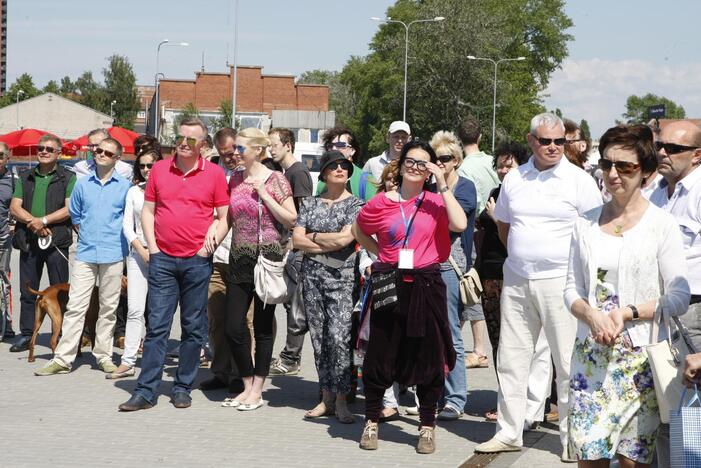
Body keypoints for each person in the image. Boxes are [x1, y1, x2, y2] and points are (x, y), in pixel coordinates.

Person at [474, 113, 602, 461]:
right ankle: (508, 432)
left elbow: (594, 233)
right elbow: (504, 226)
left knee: (566, 362)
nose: (553, 147)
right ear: (531, 141)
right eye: (545, 141)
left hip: (562, 282)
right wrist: (523, 255)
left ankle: (571, 438)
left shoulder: (579, 181)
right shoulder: (516, 177)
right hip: (517, 279)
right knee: (512, 360)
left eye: (559, 141)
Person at [565, 124, 690, 466]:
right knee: (589, 458)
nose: (613, 174)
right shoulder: (584, 224)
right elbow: (571, 290)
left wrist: (627, 313)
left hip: (638, 364)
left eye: (625, 166)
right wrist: (591, 315)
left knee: (633, 463)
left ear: (646, 172)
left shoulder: (661, 225)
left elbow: (679, 296)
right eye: (606, 164)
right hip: (590, 360)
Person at [352, 139, 467, 454]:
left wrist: (442, 184)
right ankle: (372, 420)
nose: (416, 168)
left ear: (430, 169)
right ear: (400, 165)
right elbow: (359, 229)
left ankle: (427, 426)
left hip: (426, 282)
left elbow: (460, 223)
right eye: (411, 161)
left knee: (428, 355)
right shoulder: (381, 202)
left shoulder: (435, 200)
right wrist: (381, 254)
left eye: (423, 163)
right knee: (381, 352)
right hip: (389, 280)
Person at [118, 118, 230, 411]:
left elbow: (224, 215)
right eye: (180, 137)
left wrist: (210, 246)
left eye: (191, 139)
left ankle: (183, 387)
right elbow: (148, 211)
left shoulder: (215, 174)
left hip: (197, 261)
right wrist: (154, 249)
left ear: (202, 145)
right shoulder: (159, 170)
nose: (183, 143)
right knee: (156, 327)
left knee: (193, 328)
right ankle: (145, 390)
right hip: (163, 259)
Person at [33, 138, 131, 376]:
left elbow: (129, 219)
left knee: (108, 308)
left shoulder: (125, 187)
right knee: (76, 306)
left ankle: (104, 355)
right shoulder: (82, 184)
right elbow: (75, 215)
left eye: (108, 152)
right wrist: (86, 234)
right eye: (98, 150)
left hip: (114, 253)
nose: (102, 154)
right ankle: (63, 358)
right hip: (86, 253)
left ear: (117, 158)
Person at [223, 128, 296, 411]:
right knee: (233, 326)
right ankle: (246, 382)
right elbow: (227, 217)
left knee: (264, 327)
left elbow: (291, 219)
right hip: (239, 257)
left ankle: (257, 389)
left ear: (256, 149)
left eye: (240, 148)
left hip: (268, 256)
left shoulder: (276, 179)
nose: (236, 153)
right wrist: (211, 236)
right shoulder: (235, 179)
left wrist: (265, 195)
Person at [476, 141, 547, 424]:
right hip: (490, 274)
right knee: (499, 342)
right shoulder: (495, 192)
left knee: (526, 343)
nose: (504, 170)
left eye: (509, 164)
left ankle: (533, 404)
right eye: (500, 165)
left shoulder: (527, 193)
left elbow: (520, 235)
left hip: (516, 275)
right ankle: (504, 398)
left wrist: (495, 219)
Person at [293, 150, 364, 423]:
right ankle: (326, 398)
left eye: (344, 165)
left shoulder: (355, 205)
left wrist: (313, 236)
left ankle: (344, 399)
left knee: (339, 338)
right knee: (320, 340)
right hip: (312, 278)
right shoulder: (310, 203)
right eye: (333, 165)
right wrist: (320, 240)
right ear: (323, 173)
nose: (340, 169)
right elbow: (296, 240)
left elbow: (344, 241)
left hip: (342, 280)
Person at [648, 120, 701, 466]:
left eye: (674, 149)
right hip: (658, 313)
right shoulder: (654, 193)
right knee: (668, 414)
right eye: (660, 147)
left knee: (692, 412)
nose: (663, 153)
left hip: (694, 313)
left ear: (697, 155)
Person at [9, 135, 75, 353]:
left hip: (56, 241)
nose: (44, 151)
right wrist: (33, 223)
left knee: (61, 290)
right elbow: (15, 207)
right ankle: (27, 335)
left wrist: (44, 221)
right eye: (40, 148)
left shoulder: (68, 177)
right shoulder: (26, 175)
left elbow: (69, 209)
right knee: (27, 291)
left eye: (49, 149)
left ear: (58, 153)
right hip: (29, 240)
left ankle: (63, 335)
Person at [429, 131, 476, 421]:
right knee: (429, 335)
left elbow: (454, 223)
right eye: (435, 159)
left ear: (456, 161)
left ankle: (456, 399)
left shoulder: (465, 187)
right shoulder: (428, 186)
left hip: (450, 267)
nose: (439, 163)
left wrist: (443, 188)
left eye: (445, 159)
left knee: (450, 333)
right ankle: (433, 394)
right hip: (425, 265)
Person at [107, 148, 162, 379]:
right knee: (135, 309)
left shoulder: (169, 190)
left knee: (160, 312)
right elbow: (127, 226)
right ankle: (128, 361)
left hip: (165, 254)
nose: (146, 170)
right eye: (142, 166)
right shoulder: (134, 192)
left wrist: (157, 250)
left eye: (151, 165)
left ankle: (155, 362)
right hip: (139, 254)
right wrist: (141, 249)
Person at [199, 127, 244, 393]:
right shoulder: (213, 173)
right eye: (224, 153)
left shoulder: (253, 173)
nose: (230, 157)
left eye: (234, 151)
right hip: (216, 254)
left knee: (241, 322)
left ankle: (241, 373)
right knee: (216, 318)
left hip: (243, 255)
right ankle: (221, 371)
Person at [267, 127, 313, 377]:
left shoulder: (299, 172)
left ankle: (291, 358)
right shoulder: (284, 172)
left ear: (288, 145)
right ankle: (287, 355)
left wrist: (296, 242)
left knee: (295, 306)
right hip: (283, 245)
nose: (271, 149)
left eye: (274, 144)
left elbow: (304, 211)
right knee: (287, 303)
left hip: (294, 248)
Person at [455, 116, 495, 368]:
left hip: (476, 230)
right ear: (480, 137)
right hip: (497, 228)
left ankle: (478, 348)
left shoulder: (463, 168)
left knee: (470, 287)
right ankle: (475, 346)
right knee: (477, 288)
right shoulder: (493, 161)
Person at [317, 126, 377, 201]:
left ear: (352, 151)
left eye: (340, 145)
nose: (334, 149)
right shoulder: (323, 183)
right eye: (330, 146)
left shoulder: (367, 181)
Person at [0, 143, 13, 340]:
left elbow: (19, 203)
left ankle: (7, 323)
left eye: (1, 155)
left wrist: (15, 224)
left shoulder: (14, 179)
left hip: (3, 238)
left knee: (5, 280)